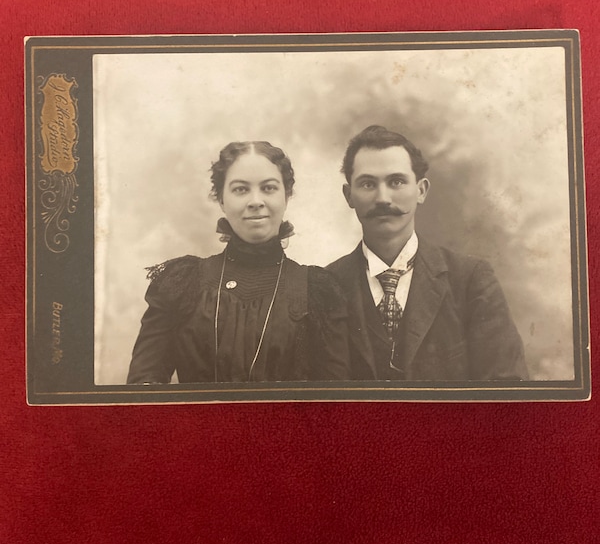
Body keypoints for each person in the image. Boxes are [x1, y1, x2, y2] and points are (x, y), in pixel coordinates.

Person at [127, 141, 349, 384]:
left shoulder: (317, 290)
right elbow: (143, 387)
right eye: (241, 189)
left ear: (286, 196)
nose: (255, 201)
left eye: (268, 188)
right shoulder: (183, 283)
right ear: (221, 199)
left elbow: (333, 402)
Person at [326, 125, 529, 381]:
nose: (383, 198)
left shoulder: (471, 280)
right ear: (349, 195)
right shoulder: (326, 285)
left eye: (396, 181)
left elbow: (507, 387)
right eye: (367, 184)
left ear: (421, 191)